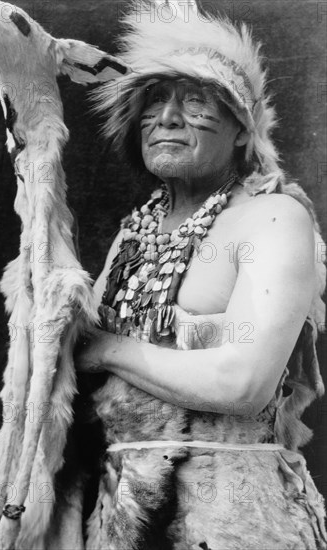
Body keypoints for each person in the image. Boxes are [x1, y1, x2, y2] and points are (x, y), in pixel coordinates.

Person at [73, 1, 327, 549]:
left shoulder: (273, 217)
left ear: (241, 130)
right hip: (119, 520)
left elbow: (244, 384)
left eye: (195, 102)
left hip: (238, 522)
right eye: (155, 101)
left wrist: (108, 349)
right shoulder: (134, 234)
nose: (167, 118)